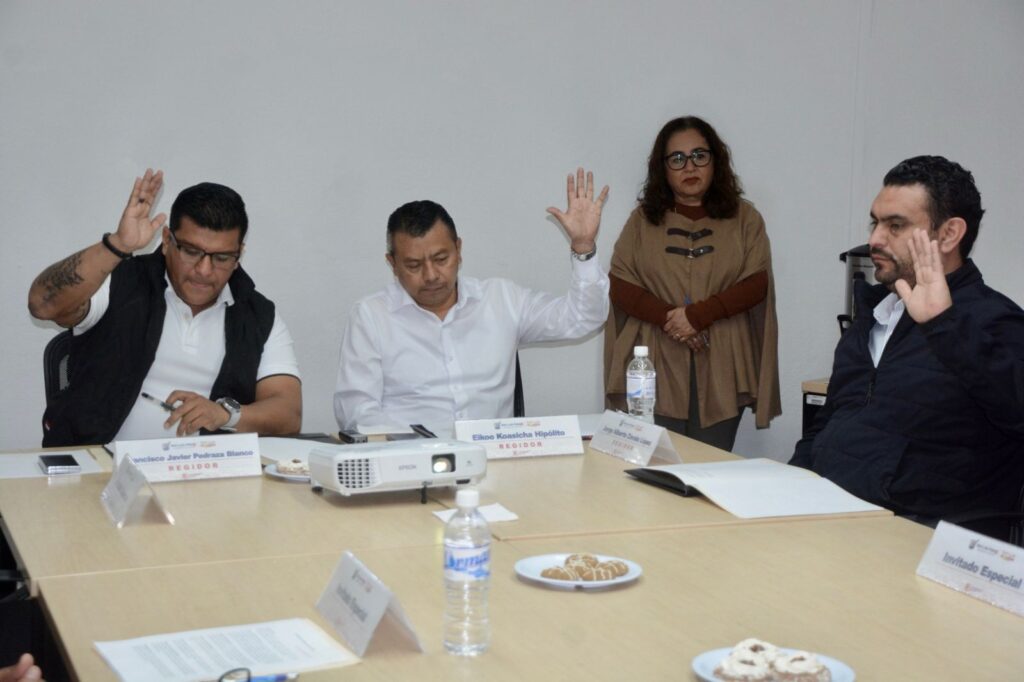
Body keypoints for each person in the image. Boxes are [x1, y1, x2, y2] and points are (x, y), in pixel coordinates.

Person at [790, 155, 1024, 526]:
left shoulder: (996, 321)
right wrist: (788, 484)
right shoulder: (873, 317)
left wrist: (943, 325)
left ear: (949, 234)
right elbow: (828, 425)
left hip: (916, 534)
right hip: (828, 515)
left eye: (895, 225)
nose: (874, 239)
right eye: (875, 222)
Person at [28, 169, 302, 446]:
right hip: (99, 465)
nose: (204, 270)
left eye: (221, 257)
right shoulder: (119, 282)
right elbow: (42, 305)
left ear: (239, 254)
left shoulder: (257, 315)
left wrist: (226, 415)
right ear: (167, 241)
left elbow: (289, 414)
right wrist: (117, 245)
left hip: (208, 469)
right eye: (191, 252)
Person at [334, 168, 610, 432]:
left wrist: (583, 248)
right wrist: (418, 445)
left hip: (493, 458)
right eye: (414, 265)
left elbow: (582, 319)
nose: (431, 275)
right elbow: (356, 414)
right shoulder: (371, 316)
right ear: (392, 264)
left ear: (459, 250)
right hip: (411, 458)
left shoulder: (501, 300)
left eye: (441, 259)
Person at [604, 116, 780, 451]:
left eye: (700, 155)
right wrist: (673, 320)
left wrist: (698, 317)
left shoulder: (745, 218)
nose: (690, 167)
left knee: (710, 466)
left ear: (716, 160)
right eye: (677, 158)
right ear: (663, 168)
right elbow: (620, 284)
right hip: (654, 360)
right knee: (656, 465)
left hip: (723, 357)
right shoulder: (641, 221)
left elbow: (756, 283)